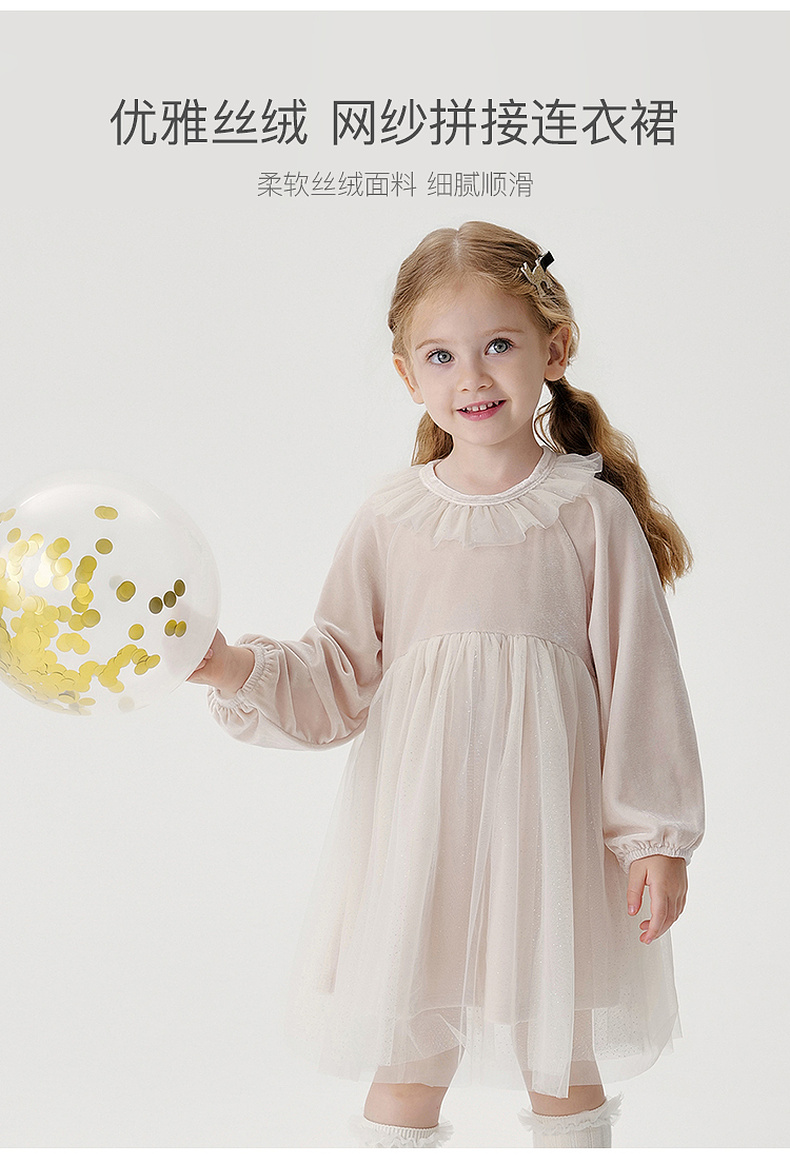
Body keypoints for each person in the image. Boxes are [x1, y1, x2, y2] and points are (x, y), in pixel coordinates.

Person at [188, 222, 705, 1149]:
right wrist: (233, 666)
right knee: (408, 1062)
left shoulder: (590, 515)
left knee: (560, 1058)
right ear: (406, 374)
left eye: (498, 344)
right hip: (420, 843)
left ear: (555, 348)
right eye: (441, 355)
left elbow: (642, 685)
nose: (472, 376)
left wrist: (655, 838)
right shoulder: (392, 519)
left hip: (548, 845)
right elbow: (338, 675)